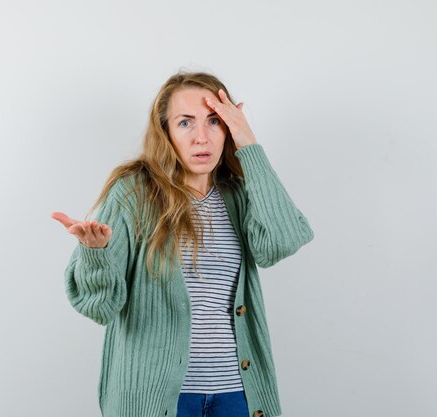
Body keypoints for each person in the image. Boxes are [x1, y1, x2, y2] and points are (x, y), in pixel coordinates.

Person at [51, 71, 314, 417]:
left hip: (238, 394)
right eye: (186, 123)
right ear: (166, 132)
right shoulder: (134, 193)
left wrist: (249, 144)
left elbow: (282, 241)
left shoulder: (237, 196)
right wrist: (96, 254)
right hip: (156, 398)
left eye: (215, 122)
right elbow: (99, 306)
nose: (201, 138)